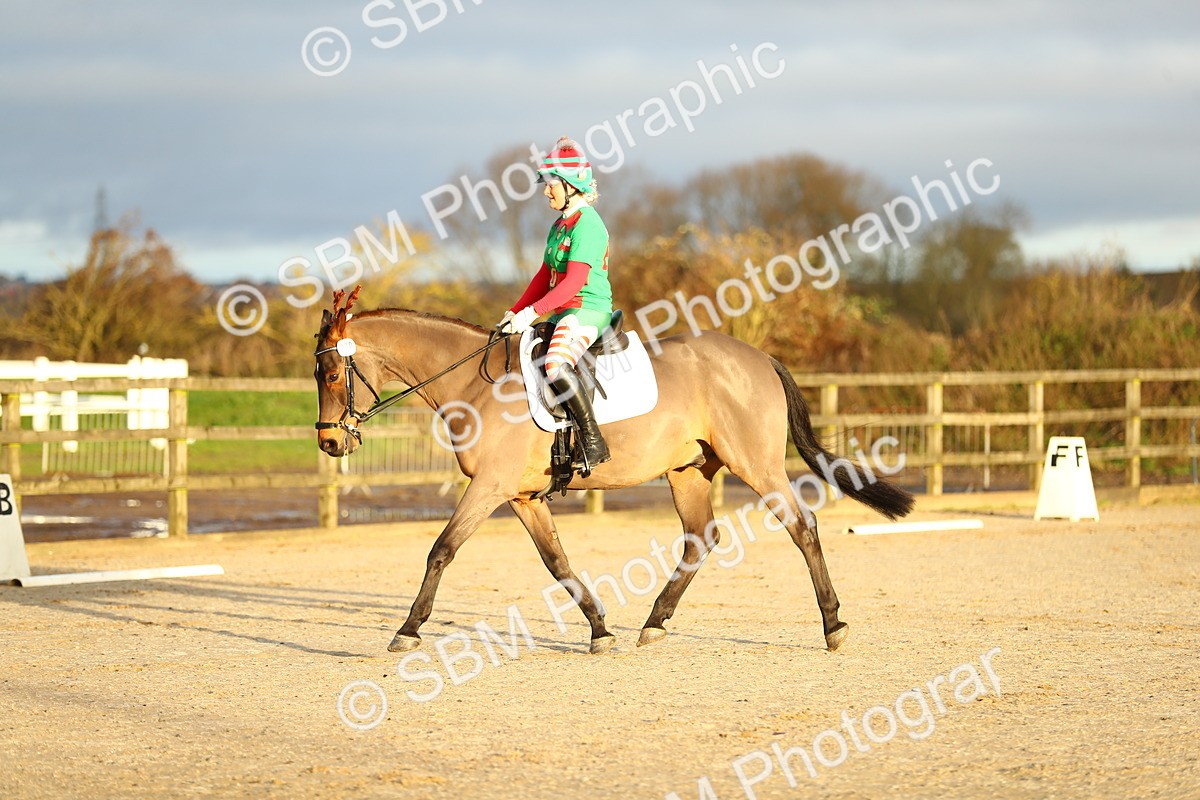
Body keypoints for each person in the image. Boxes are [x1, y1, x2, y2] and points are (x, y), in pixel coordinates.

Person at [498, 136, 613, 471]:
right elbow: (544, 275)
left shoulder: (588, 224)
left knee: (555, 365)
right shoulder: (560, 225)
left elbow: (574, 283)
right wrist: (515, 312)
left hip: (587, 311)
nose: (546, 191)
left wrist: (534, 313)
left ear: (572, 186)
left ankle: (593, 441)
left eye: (551, 185)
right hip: (564, 310)